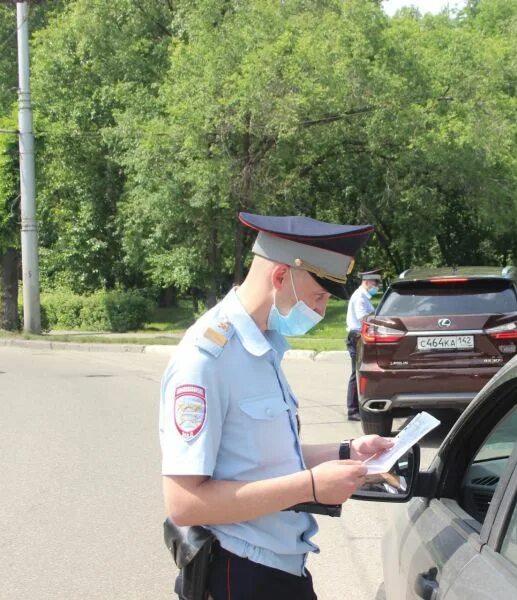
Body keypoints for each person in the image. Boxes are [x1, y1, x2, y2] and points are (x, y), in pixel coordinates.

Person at [159, 212, 394, 600]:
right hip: (240, 572)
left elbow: (257, 458)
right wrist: (312, 486)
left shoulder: (262, 346)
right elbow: (184, 502)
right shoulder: (206, 360)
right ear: (280, 276)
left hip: (281, 566)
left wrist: (348, 452)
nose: (320, 313)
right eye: (318, 297)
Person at [345, 269, 381, 421]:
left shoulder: (364, 296)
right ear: (366, 282)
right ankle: (352, 410)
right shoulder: (360, 297)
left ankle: (357, 407)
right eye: (374, 283)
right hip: (356, 337)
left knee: (360, 372)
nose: (376, 286)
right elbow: (364, 318)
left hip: (359, 336)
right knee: (356, 373)